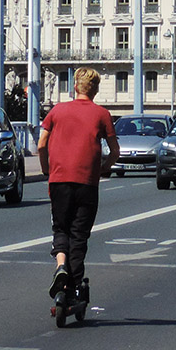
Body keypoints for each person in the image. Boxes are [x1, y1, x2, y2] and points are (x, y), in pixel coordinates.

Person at [38, 67, 119, 303]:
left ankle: (60, 267)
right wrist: (103, 167)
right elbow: (115, 151)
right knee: (79, 234)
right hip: (87, 182)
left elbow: (42, 144)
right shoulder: (102, 114)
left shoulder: (57, 111)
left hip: (59, 179)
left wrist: (46, 168)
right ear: (95, 89)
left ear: (75, 87)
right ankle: (74, 286)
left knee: (60, 228)